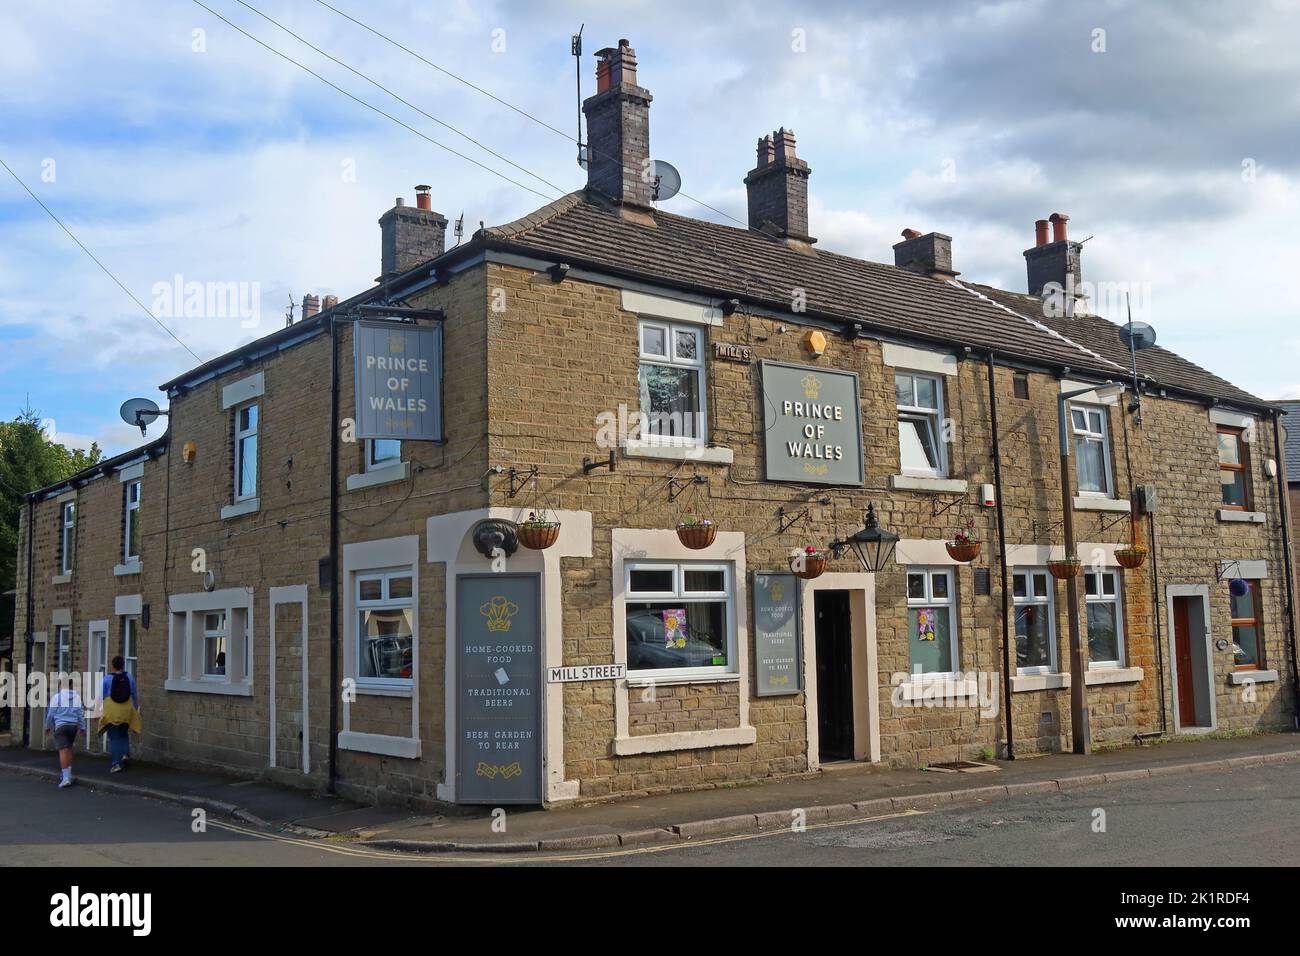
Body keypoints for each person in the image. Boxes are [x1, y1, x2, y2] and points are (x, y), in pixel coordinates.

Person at [99, 657, 141, 772]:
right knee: (123, 733)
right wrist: (136, 708)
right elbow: (134, 695)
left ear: (112, 666)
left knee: (114, 737)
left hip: (112, 712)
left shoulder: (107, 679)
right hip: (127, 710)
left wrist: (98, 712)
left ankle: (115, 764)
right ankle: (125, 755)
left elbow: (101, 697)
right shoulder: (129, 677)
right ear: (123, 665)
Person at [44, 678, 86, 788]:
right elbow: (80, 713)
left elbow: (50, 714)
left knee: (63, 751)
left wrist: (47, 726)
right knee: (69, 748)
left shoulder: (57, 697)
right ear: (71, 686)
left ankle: (66, 778)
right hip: (73, 726)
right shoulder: (76, 697)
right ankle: (69, 774)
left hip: (61, 726)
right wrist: (82, 727)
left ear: (60, 685)